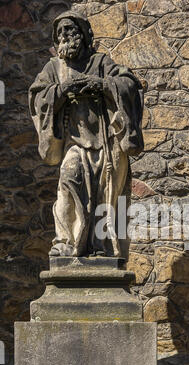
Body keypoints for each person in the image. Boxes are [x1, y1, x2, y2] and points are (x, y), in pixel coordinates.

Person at [29, 10, 144, 257]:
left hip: (105, 142)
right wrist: (60, 91)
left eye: (69, 30)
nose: (64, 36)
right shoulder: (54, 68)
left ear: (83, 34)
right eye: (60, 32)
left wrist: (103, 86)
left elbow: (129, 84)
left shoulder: (101, 63)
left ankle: (100, 248)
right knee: (69, 180)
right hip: (75, 144)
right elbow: (38, 97)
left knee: (105, 195)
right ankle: (66, 243)